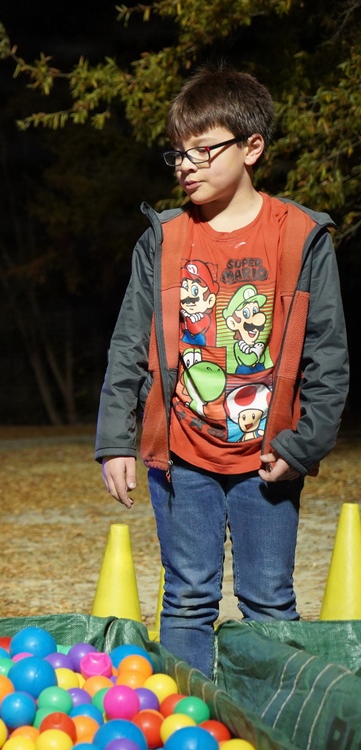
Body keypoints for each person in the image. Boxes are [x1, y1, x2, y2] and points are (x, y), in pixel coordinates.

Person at [95, 64, 349, 675]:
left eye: (203, 150)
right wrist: (116, 441)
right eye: (178, 153)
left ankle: (273, 715)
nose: (186, 165)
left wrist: (303, 444)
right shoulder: (164, 239)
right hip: (182, 455)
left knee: (269, 600)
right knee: (186, 599)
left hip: (269, 457)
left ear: (251, 147)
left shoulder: (301, 237)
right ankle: (190, 718)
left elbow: (328, 355)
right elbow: (128, 344)